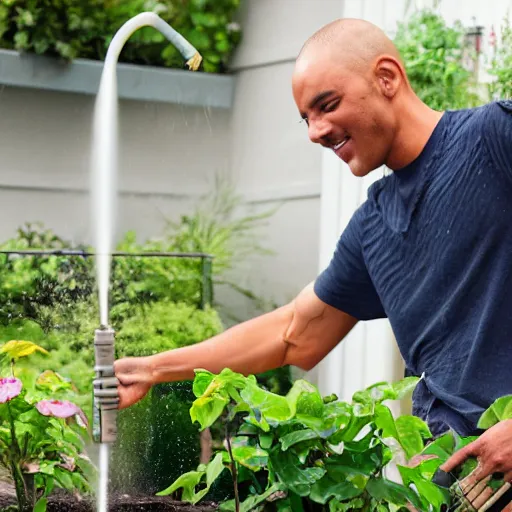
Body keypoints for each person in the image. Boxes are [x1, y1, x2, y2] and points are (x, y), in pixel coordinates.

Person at [113, 18, 512, 489]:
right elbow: (293, 333)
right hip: (450, 486)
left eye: (327, 105)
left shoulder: (494, 139)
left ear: (387, 78)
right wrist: (153, 368)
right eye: (306, 117)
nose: (316, 131)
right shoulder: (373, 228)